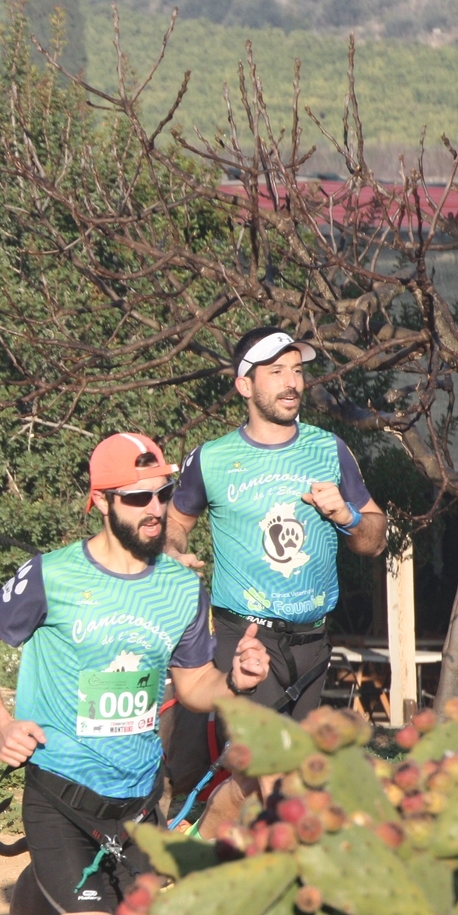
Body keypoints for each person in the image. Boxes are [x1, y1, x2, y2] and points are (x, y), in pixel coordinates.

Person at [0, 432, 271, 915]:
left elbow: (193, 684)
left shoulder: (182, 589)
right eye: (137, 498)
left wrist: (235, 681)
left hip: (135, 812)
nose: (155, 509)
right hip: (60, 797)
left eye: (162, 494)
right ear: (101, 502)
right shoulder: (53, 574)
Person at [161, 327, 387, 811]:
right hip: (245, 638)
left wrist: (346, 516)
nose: (292, 382)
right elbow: (175, 522)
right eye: (277, 371)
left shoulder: (330, 450)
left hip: (312, 642)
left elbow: (375, 538)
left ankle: (221, 840)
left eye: (298, 371)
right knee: (269, 771)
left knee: (278, 778)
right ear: (244, 385)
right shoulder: (211, 458)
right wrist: (173, 551)